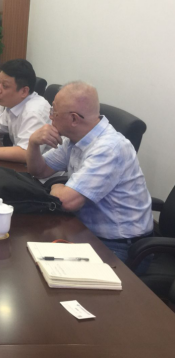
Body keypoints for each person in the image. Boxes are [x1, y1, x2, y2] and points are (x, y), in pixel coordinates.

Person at [26, 81, 153, 265]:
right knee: (32, 249)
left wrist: (57, 186)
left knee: (43, 266)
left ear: (74, 119)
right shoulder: (75, 139)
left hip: (119, 245)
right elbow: (39, 170)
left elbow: (66, 202)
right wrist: (33, 144)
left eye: (54, 112)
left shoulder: (109, 148)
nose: (50, 116)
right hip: (85, 229)